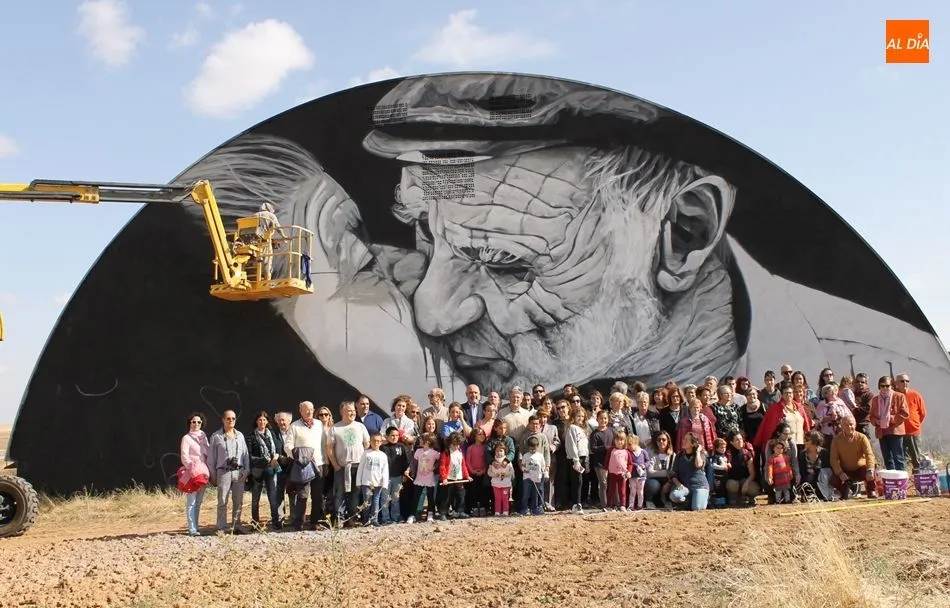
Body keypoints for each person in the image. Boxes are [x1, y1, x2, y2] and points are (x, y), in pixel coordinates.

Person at [208, 410, 250, 534]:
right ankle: (221, 527)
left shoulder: (240, 436)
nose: (231, 421)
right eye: (228, 418)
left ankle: (235, 526)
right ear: (223, 420)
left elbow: (246, 454)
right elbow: (211, 458)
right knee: (222, 500)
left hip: (239, 472)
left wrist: (246, 471)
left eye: (233, 418)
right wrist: (213, 477)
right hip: (223, 472)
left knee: (238, 501)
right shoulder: (216, 437)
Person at [247, 411, 282, 530]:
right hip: (257, 470)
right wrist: (263, 459)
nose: (262, 422)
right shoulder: (251, 436)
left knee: (273, 496)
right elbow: (249, 455)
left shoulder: (272, 434)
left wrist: (275, 458)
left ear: (267, 421)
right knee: (255, 498)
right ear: (256, 421)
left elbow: (278, 449)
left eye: (264, 420)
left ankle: (275, 521)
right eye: (260, 420)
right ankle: (255, 523)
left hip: (271, 469)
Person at [179, 412, 210, 536]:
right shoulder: (186, 438)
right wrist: (191, 468)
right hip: (192, 472)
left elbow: (207, 453)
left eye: (199, 422)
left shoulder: (203, 436)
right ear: (190, 423)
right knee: (191, 501)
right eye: (194, 421)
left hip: (203, 472)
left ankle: (196, 527)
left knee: (199, 501)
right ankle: (192, 528)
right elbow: (184, 456)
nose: (196, 424)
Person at [830, 417, 877, 499]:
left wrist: (870, 469)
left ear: (855, 425)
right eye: (846, 425)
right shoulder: (836, 440)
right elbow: (833, 459)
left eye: (851, 424)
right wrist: (840, 472)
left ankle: (870, 490)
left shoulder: (862, 437)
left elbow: (869, 454)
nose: (849, 427)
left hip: (860, 468)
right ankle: (844, 492)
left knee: (870, 470)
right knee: (834, 480)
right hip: (846, 471)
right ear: (841, 426)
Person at [870, 376, 909, 471]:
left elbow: (905, 413)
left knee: (898, 457)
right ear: (879, 387)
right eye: (882, 386)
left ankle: (900, 481)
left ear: (891, 386)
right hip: (882, 431)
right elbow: (871, 416)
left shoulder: (899, 396)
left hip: (895, 431)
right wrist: (876, 421)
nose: (884, 388)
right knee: (887, 459)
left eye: (887, 386)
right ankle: (891, 480)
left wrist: (890, 419)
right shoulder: (875, 400)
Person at [669, 431, 709, 511]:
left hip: (699, 486)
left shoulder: (701, 454)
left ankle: (703, 498)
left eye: (686, 440)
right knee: (674, 496)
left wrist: (697, 452)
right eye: (684, 439)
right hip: (685, 487)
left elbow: (698, 465)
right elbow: (674, 474)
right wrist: (678, 484)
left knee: (697, 508)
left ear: (693, 443)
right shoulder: (679, 455)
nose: (683, 441)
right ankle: (688, 502)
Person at [356, 433, 389, 526]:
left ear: (381, 442)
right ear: (370, 441)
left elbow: (385, 470)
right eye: (374, 440)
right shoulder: (366, 453)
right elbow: (361, 467)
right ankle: (366, 519)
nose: (376, 443)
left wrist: (385, 483)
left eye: (378, 441)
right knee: (367, 501)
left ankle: (374, 519)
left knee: (376, 500)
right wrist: (358, 481)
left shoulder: (383, 455)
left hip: (377, 482)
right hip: (366, 481)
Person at [379, 426, 409, 525]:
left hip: (398, 477)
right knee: (385, 498)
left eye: (396, 435)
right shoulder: (383, 448)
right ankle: (385, 518)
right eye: (392, 435)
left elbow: (406, 462)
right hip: (385, 478)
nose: (394, 437)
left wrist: (405, 474)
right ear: (387, 436)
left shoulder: (401, 447)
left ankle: (395, 517)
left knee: (395, 498)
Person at [253, 201, 288, 280]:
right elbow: (278, 228)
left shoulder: (254, 215)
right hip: (264, 242)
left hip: (253, 243)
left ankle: (255, 277)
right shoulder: (271, 215)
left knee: (256, 261)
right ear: (269, 209)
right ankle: (266, 280)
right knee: (267, 262)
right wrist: (284, 236)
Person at [487, 443, 514, 517]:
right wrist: (494, 475)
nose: (499, 453)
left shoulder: (508, 462)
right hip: (495, 484)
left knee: (505, 498)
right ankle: (497, 511)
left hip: (506, 484)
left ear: (505, 452)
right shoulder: (493, 462)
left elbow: (512, 472)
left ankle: (505, 511)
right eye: (497, 451)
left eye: (501, 451)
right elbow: (489, 472)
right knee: (497, 498)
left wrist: (506, 474)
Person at [767, 439, 794, 504]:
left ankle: (787, 500)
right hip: (778, 478)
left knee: (786, 490)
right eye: (777, 448)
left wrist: (790, 474)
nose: (779, 450)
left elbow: (788, 467)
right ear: (773, 448)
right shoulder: (772, 459)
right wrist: (770, 477)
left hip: (785, 478)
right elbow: (770, 469)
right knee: (778, 491)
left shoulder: (785, 457)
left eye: (781, 448)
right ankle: (778, 501)